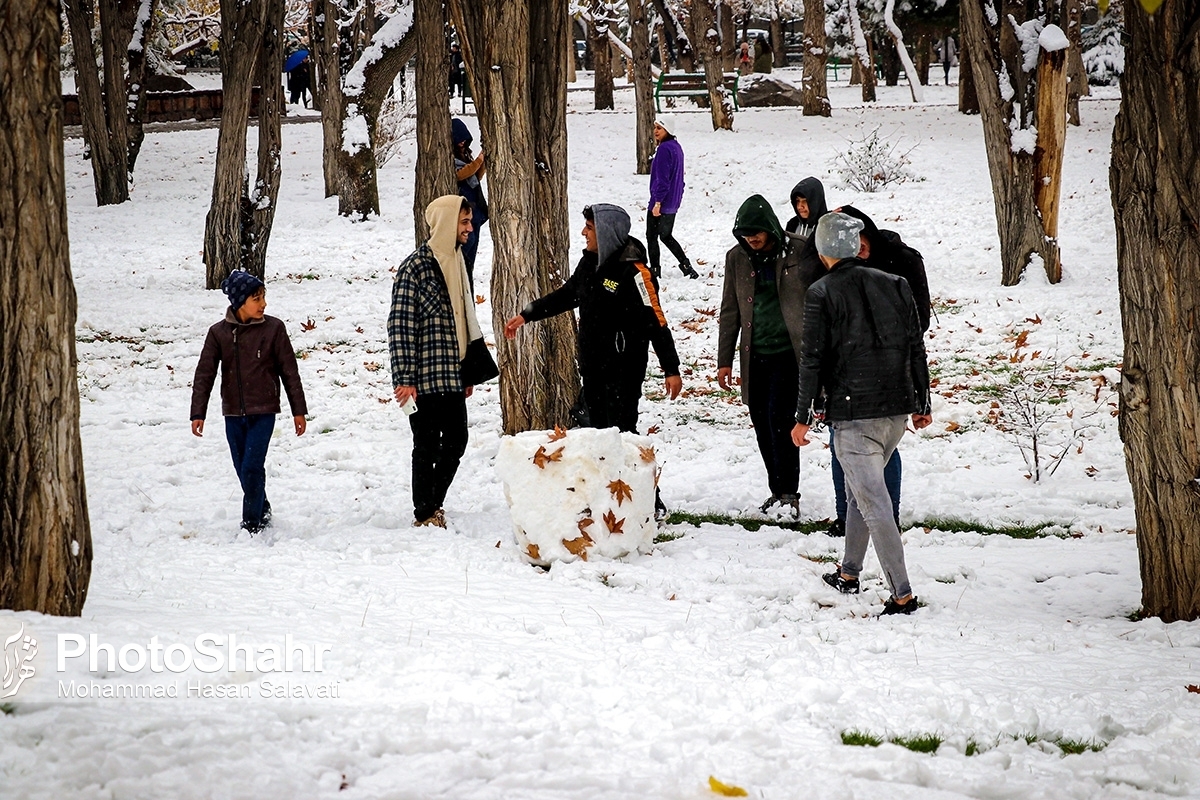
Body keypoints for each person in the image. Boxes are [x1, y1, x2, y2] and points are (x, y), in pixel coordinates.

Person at [791, 212, 932, 616]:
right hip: (895, 413)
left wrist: (802, 416)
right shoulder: (896, 284)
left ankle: (902, 594)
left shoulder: (822, 292)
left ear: (822, 250)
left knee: (874, 504)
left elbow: (812, 361)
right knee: (859, 493)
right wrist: (922, 402)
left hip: (854, 415)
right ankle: (849, 572)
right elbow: (915, 347)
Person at [505, 204, 682, 518]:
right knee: (599, 434)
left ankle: (648, 501)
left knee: (624, 434)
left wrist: (671, 368)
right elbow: (565, 296)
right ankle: (607, 499)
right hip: (593, 367)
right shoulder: (588, 265)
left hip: (624, 368)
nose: (584, 233)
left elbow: (656, 319)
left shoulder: (634, 270)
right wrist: (527, 315)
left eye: (589, 227)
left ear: (606, 232)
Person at [823, 204, 931, 537]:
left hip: (890, 368)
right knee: (842, 443)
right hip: (847, 373)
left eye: (863, 244)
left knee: (884, 449)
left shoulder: (904, 262)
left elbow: (919, 321)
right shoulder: (838, 269)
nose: (860, 252)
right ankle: (847, 518)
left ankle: (888, 517)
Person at [718, 195, 822, 516]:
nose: (752, 239)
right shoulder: (736, 258)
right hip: (755, 356)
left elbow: (821, 296)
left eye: (757, 233)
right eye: (746, 234)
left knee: (781, 419)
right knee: (761, 421)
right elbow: (729, 310)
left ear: (769, 228)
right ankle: (777, 491)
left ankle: (789, 493)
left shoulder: (800, 249)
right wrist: (724, 360)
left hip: (791, 354)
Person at [388, 195, 487, 528]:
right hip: (423, 377)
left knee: (457, 441)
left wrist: (468, 370)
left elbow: (463, 318)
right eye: (464, 222)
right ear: (447, 222)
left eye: (470, 222)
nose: (470, 229)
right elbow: (400, 326)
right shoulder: (415, 267)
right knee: (427, 445)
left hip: (453, 375)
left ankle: (434, 502)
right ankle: (424, 512)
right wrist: (404, 378)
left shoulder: (458, 261)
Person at [190, 270, 308, 535]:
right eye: (257, 299)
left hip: (264, 411)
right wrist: (198, 412)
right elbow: (204, 374)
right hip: (232, 412)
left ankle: (252, 524)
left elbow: (289, 371)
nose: (263, 304)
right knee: (242, 468)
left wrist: (298, 410)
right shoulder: (218, 333)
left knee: (252, 466)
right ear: (239, 301)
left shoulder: (274, 329)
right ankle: (261, 505)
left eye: (263, 297)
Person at [647, 116, 699, 280]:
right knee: (666, 236)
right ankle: (686, 266)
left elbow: (663, 179)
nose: (656, 131)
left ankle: (655, 270)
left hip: (661, 201)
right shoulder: (676, 147)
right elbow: (679, 178)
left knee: (652, 236)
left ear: (668, 130)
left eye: (660, 128)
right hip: (672, 201)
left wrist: (657, 202)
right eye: (655, 127)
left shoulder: (664, 149)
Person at [451, 118, 488, 286]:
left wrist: (482, 163)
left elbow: (474, 176)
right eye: (459, 139)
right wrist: (478, 161)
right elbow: (462, 174)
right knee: (467, 243)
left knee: (473, 245)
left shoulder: (466, 155)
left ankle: (468, 275)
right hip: (464, 209)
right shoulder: (451, 158)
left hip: (476, 210)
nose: (462, 142)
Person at [784, 176, 829, 244]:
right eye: (797, 201)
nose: (800, 206)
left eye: (805, 201)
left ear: (815, 201)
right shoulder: (793, 225)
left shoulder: (829, 227)